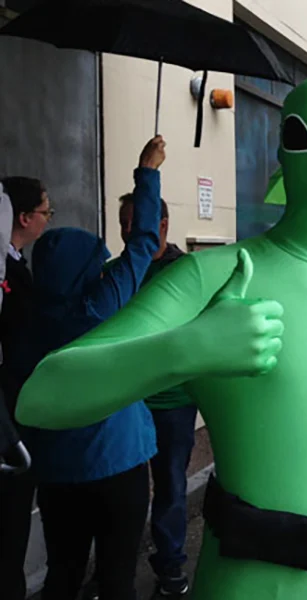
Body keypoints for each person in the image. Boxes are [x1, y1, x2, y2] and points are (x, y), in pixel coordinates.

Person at [16, 74, 307, 600]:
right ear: (281, 155)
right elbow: (43, 397)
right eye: (301, 137)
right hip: (251, 578)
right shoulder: (212, 278)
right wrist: (186, 348)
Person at [21, 136, 165, 600]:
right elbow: (144, 243)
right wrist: (147, 170)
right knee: (118, 577)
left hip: (57, 474)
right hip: (117, 464)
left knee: (63, 575)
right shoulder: (102, 307)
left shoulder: (23, 316)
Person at [116, 195, 195, 597]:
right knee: (120, 495)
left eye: (135, 222)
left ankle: (171, 568)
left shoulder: (185, 272)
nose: (128, 231)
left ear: (162, 223)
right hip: (125, 404)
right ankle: (116, 573)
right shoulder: (117, 273)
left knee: (169, 487)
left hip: (172, 404)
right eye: (122, 223)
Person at [0, 176, 52, 600]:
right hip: (10, 421)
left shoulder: (14, 266)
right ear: (23, 217)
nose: (47, 219)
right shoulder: (9, 276)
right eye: (45, 211)